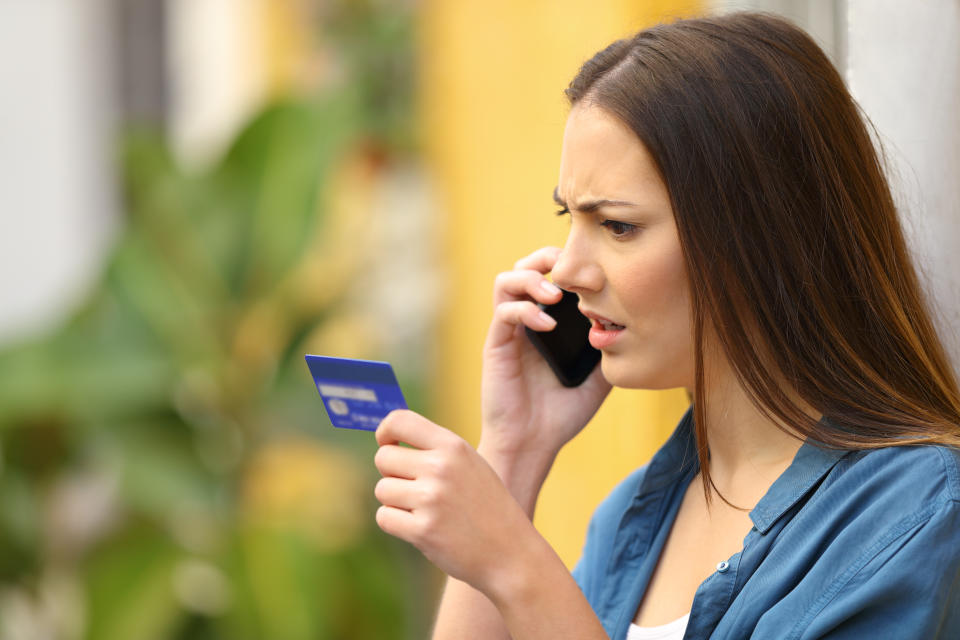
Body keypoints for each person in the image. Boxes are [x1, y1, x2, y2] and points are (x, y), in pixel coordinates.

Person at [371, 11, 960, 640]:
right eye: (567, 215)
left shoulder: (916, 513)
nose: (568, 269)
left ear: (759, 238)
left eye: (618, 226)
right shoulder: (634, 515)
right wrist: (514, 455)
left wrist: (516, 567)